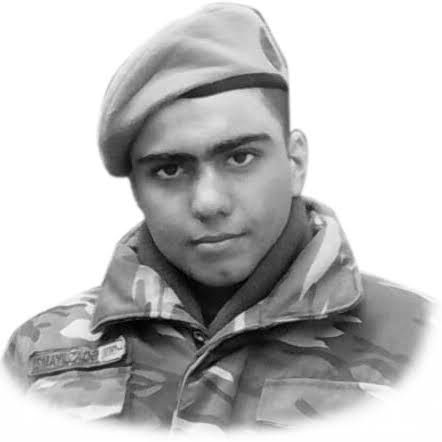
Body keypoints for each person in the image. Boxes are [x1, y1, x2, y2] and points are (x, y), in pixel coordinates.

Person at [3, 2, 429, 432]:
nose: (208, 202)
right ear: (136, 188)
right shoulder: (39, 356)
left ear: (295, 162)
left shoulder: (421, 346)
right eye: (170, 169)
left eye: (240, 158)